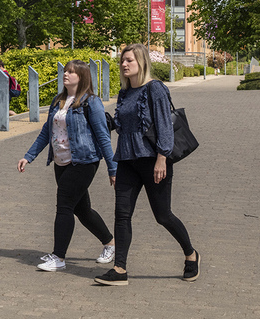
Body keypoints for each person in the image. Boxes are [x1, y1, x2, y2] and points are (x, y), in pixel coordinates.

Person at [95, 43, 199, 286]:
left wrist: (162, 158)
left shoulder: (155, 89)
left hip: (153, 161)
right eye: (122, 61)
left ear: (141, 62)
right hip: (127, 160)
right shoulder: (125, 92)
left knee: (163, 215)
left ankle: (191, 254)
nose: (124, 64)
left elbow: (164, 125)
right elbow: (125, 125)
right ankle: (119, 269)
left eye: (129, 60)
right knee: (122, 215)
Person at [18, 60, 116, 272]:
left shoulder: (91, 102)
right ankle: (110, 243)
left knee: (64, 206)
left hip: (83, 162)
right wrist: (29, 156)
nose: (66, 74)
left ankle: (59, 257)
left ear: (81, 77)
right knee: (82, 210)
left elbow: (102, 137)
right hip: (61, 161)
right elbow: (46, 132)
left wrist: (113, 169)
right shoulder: (58, 100)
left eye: (72, 72)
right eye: (66, 71)